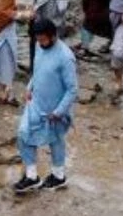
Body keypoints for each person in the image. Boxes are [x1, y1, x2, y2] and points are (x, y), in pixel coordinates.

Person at [13, 17, 77, 195]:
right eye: (37, 40)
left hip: (55, 109)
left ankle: (59, 176)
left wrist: (58, 112)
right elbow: (38, 69)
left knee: (55, 141)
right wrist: (30, 86)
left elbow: (72, 90)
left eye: (43, 39)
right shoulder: (40, 48)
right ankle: (32, 176)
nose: (40, 43)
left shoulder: (65, 57)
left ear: (53, 36)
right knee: (23, 135)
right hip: (35, 102)